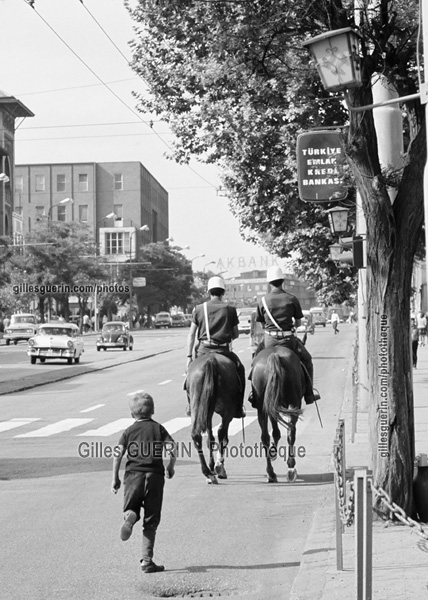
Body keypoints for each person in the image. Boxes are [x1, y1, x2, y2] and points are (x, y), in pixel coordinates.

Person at [111, 391, 176, 573]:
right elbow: (172, 449)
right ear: (153, 411)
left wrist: (115, 478)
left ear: (132, 414)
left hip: (133, 476)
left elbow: (117, 455)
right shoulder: (159, 429)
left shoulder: (129, 431)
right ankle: (147, 560)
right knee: (151, 519)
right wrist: (170, 467)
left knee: (131, 507)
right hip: (154, 477)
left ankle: (130, 517)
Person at [252, 266, 320, 405]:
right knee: (307, 359)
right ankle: (308, 393)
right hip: (288, 341)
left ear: (269, 282)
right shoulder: (292, 298)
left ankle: (254, 393)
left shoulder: (262, 300)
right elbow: (298, 322)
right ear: (282, 281)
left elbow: (261, 324)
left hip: (269, 341)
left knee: (255, 362)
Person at [185, 276, 246, 418]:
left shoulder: (199, 309)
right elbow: (235, 334)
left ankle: (190, 405)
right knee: (240, 370)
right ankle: (238, 407)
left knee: (189, 377)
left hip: (203, 351)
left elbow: (192, 334)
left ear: (208, 292)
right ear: (223, 292)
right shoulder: (230, 310)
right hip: (223, 351)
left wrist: (189, 357)